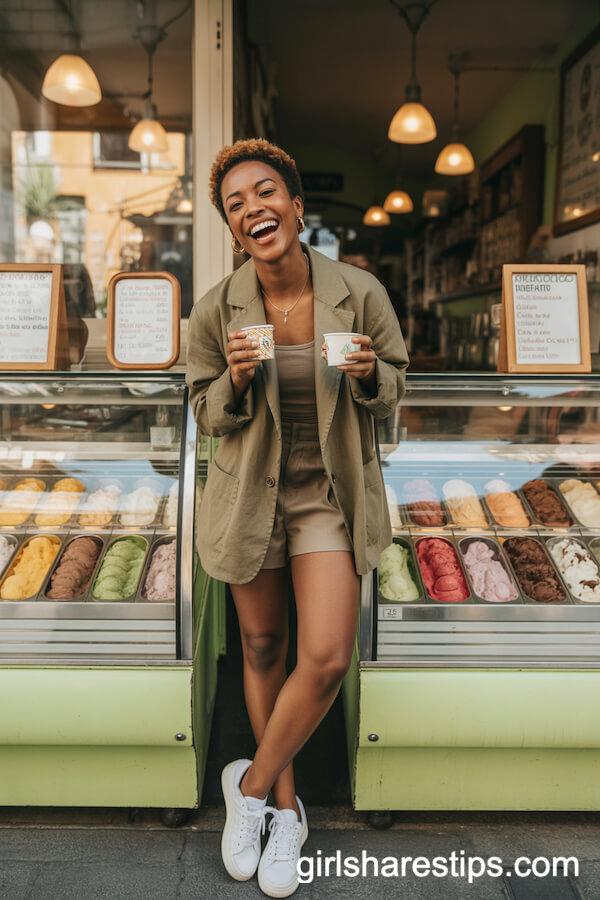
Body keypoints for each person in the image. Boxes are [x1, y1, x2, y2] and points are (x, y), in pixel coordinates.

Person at [186, 138, 408, 898]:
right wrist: (237, 380)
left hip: (328, 498)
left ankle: (244, 790)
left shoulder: (359, 291)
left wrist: (374, 372)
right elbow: (204, 412)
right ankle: (284, 811)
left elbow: (395, 388)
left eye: (265, 192)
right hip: (250, 494)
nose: (254, 208)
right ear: (231, 226)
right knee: (260, 645)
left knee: (323, 658)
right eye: (236, 203)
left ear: (297, 206)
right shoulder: (217, 308)